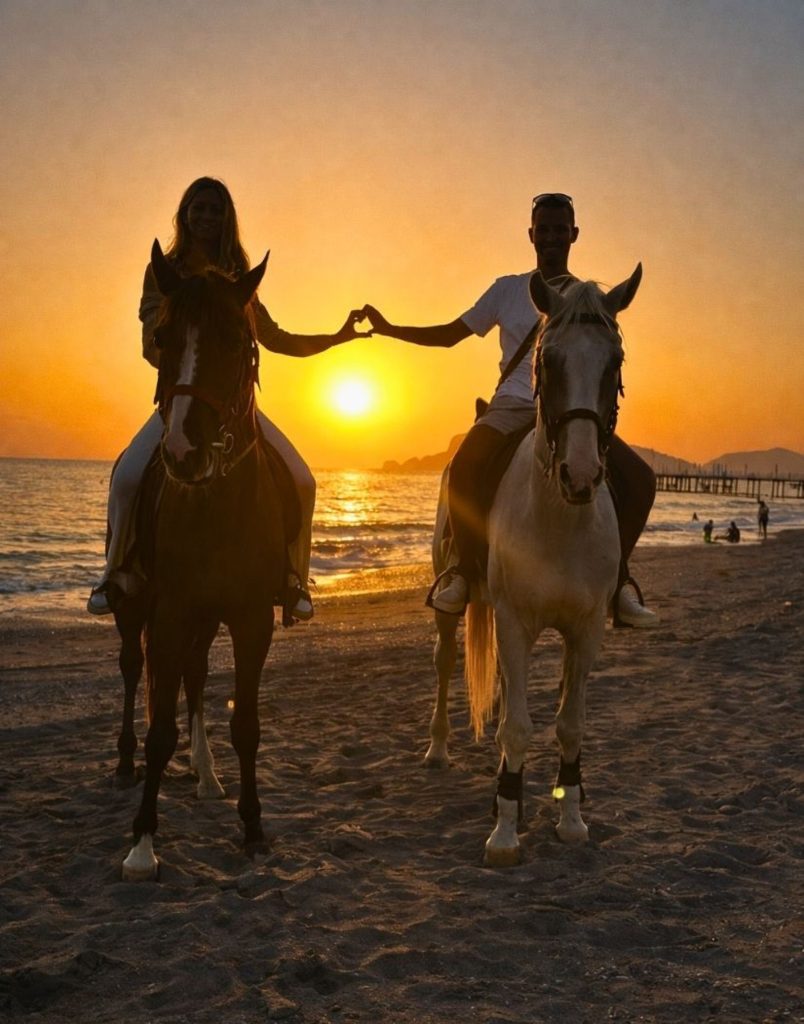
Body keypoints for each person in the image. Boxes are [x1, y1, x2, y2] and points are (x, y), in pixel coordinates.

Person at [362, 192, 657, 627]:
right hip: (512, 406)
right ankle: (462, 572)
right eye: (544, 230)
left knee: (641, 480)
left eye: (560, 230)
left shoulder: (587, 299)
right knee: (463, 468)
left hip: (569, 412)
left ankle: (618, 581)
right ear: (531, 235)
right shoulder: (506, 290)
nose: (552, 237)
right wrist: (390, 328)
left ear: (574, 234)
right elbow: (450, 334)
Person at [88, 176, 369, 620]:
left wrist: (337, 337)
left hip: (233, 407)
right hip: (179, 403)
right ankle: (116, 573)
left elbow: (275, 337)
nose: (206, 216)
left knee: (302, 481)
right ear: (184, 214)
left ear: (227, 218)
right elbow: (149, 342)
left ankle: (294, 579)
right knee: (125, 479)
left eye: (215, 210)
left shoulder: (239, 276)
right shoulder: (165, 271)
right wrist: (186, 368)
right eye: (198, 208)